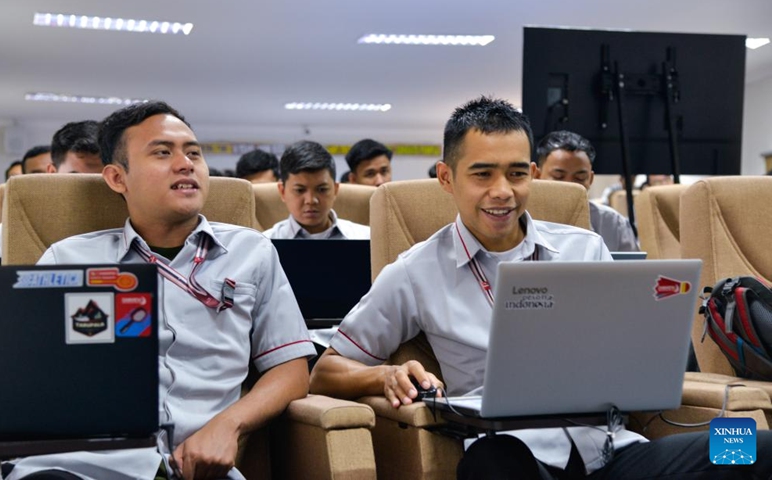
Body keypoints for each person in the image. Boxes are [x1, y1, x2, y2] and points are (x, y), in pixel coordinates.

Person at [310, 96, 772, 479]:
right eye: (482, 174)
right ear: (446, 178)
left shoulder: (585, 248)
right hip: (511, 454)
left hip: (616, 452)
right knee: (486, 467)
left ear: (531, 173)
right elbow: (327, 370)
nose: (502, 191)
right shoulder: (415, 270)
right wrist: (383, 374)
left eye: (515, 173)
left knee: (755, 447)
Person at [4, 101, 315, 480]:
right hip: (81, 465)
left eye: (193, 152)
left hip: (195, 467)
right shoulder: (68, 259)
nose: (186, 163)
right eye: (163, 152)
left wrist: (228, 426)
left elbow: (290, 368)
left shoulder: (252, 252)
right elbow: (23, 376)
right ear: (118, 178)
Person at [0, 123, 105, 263]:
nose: (92, 189)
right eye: (77, 178)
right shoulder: (18, 230)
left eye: (101, 179)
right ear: (52, 174)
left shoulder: (128, 225)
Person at [534, 130, 639, 252]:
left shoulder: (614, 224)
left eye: (580, 178)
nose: (570, 186)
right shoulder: (520, 221)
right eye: (558, 176)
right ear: (536, 175)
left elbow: (633, 269)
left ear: (590, 179)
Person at [264, 140, 369, 240]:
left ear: (335, 190)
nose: (311, 200)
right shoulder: (266, 243)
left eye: (322, 189)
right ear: (282, 191)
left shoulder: (367, 239)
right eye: (300, 190)